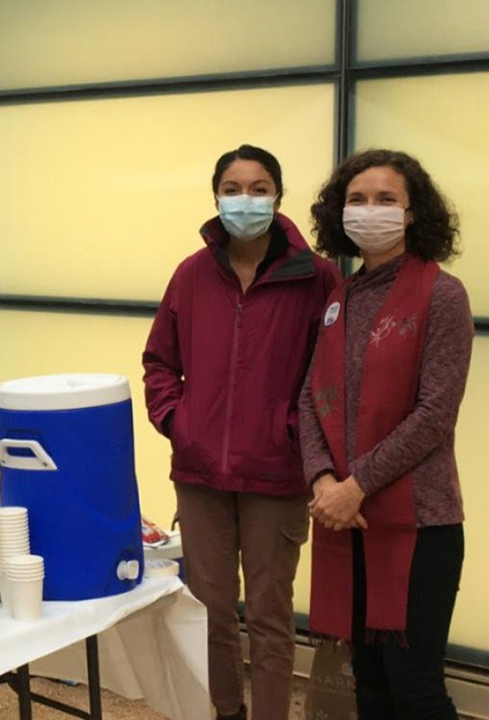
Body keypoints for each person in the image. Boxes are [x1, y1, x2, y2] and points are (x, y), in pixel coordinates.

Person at [143, 145, 340, 720]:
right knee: (208, 608)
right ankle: (224, 710)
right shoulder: (192, 274)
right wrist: (178, 422)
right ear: (216, 197)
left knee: (271, 617)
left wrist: (293, 435)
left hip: (277, 475)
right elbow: (159, 361)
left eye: (258, 188)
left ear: (278, 196)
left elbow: (329, 378)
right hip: (200, 473)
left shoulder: (315, 277)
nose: (245, 200)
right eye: (233, 189)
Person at [301, 149, 471, 718]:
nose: (369, 209)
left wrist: (355, 486)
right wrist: (323, 481)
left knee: (414, 687)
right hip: (346, 519)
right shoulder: (339, 299)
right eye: (357, 199)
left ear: (413, 212)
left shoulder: (442, 294)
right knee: (369, 683)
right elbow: (310, 397)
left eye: (385, 199)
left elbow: (435, 413)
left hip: (418, 523)